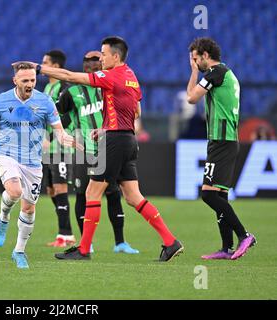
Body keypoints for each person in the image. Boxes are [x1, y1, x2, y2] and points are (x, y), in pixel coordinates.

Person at [21, 35, 183, 262]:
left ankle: (84, 250)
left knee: (91, 193)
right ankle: (170, 241)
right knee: (133, 196)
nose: (101, 58)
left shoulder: (110, 75)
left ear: (115, 56)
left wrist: (38, 68)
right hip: (128, 139)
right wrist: (108, 127)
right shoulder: (131, 76)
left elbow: (68, 75)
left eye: (104, 54)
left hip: (115, 142)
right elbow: (135, 111)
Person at [0, 62, 78, 269]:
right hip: (6, 154)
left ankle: (19, 251)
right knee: (14, 191)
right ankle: (3, 217)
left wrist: (66, 138)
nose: (30, 84)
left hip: (32, 161)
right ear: (15, 81)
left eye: (32, 80)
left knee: (29, 208)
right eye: (25, 80)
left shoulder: (45, 101)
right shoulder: (0, 100)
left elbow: (59, 130)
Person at [57, 50, 139, 254]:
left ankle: (120, 242)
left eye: (96, 59)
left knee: (113, 194)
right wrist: (66, 133)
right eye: (87, 61)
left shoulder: (110, 85)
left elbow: (132, 108)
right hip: (83, 151)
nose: (92, 63)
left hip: (108, 148)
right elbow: (58, 115)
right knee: (82, 196)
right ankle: (88, 244)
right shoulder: (72, 92)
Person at [187, 37, 256, 260]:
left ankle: (244, 235)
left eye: (196, 59)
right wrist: (195, 72)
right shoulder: (226, 74)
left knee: (207, 194)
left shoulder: (216, 73)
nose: (195, 63)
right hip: (222, 140)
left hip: (222, 141)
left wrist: (195, 73)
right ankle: (226, 248)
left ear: (206, 56)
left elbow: (191, 98)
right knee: (220, 196)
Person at [41, 50, 76, 248]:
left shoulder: (65, 88)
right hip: (47, 148)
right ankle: (63, 234)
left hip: (61, 146)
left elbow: (68, 117)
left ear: (55, 66)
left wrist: (52, 136)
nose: (41, 65)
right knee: (51, 190)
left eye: (45, 62)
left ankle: (66, 235)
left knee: (61, 187)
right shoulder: (47, 87)